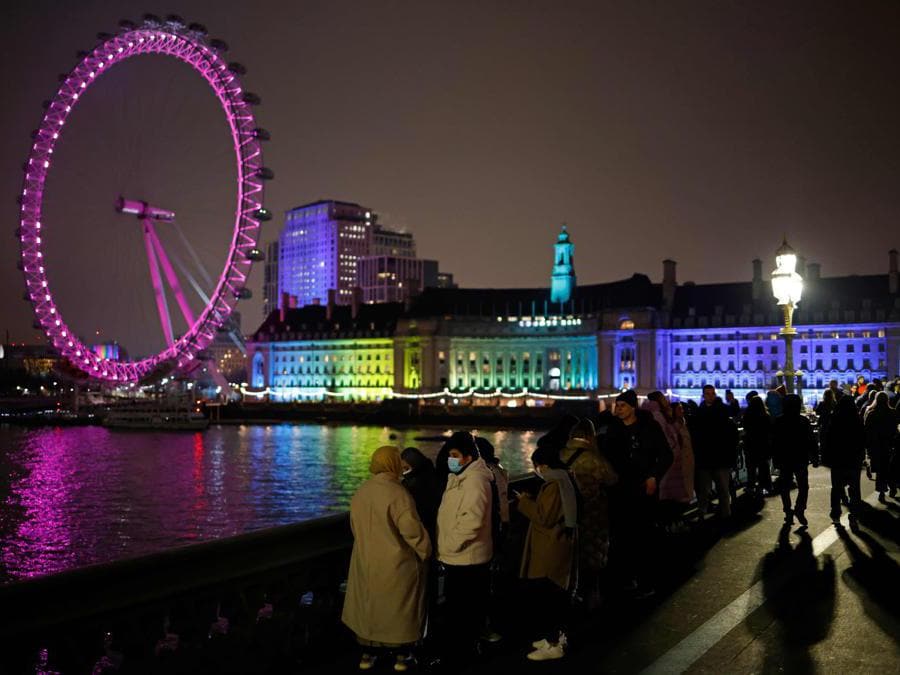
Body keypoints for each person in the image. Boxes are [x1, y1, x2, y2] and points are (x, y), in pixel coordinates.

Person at [343, 446, 432, 672]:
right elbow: (412, 531)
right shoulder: (398, 493)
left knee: (369, 608)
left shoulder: (362, 491)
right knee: (399, 609)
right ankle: (402, 656)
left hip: (365, 559)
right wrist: (425, 552)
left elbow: (355, 527)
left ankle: (368, 653)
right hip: (397, 563)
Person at [599, 389, 673, 598]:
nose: (618, 409)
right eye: (616, 405)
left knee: (644, 536)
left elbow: (666, 455)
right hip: (620, 490)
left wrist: (654, 477)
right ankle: (626, 578)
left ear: (633, 407)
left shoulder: (650, 427)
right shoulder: (613, 430)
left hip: (644, 490)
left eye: (622, 405)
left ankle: (646, 581)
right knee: (622, 536)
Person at [516, 443, 580, 661]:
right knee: (553, 596)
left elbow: (545, 517)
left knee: (551, 597)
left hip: (551, 547)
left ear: (543, 465)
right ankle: (551, 639)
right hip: (556, 545)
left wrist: (524, 502)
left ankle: (555, 644)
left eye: (537, 466)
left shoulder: (554, 484)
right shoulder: (565, 479)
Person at [435, 431, 494, 664]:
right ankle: (463, 651)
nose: (451, 459)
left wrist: (450, 544)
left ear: (468, 457)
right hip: (461, 556)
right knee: (463, 608)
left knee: (460, 610)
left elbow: (472, 521)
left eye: (455, 455)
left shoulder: (474, 482)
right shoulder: (462, 478)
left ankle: (459, 655)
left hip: (465, 557)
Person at [560, 418, 618, 609]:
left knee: (571, 556)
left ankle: (571, 599)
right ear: (590, 436)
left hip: (567, 512)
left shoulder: (562, 455)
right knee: (592, 558)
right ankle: (591, 599)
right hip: (593, 513)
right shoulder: (594, 458)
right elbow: (611, 479)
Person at [690, 385, 739, 519]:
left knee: (722, 488)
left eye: (712, 394)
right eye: (707, 394)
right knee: (705, 489)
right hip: (707, 457)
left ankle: (724, 513)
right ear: (703, 395)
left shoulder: (719, 411)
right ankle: (704, 512)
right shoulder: (703, 411)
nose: (710, 396)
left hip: (718, 456)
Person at [771, 395, 818, 527]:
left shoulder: (779, 421)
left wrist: (775, 459)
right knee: (803, 486)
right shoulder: (803, 421)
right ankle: (799, 509)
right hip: (800, 458)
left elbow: (774, 442)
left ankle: (787, 510)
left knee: (784, 486)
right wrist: (815, 457)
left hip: (785, 458)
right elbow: (811, 440)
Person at [822, 396, 865, 526]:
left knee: (836, 487)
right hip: (853, 457)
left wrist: (826, 457)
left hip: (837, 458)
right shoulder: (856, 419)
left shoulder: (834, 418)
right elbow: (862, 439)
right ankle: (854, 513)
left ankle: (835, 513)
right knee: (854, 487)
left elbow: (827, 439)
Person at [401, 447, 441, 542]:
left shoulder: (420, 483)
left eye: (406, 468)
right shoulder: (432, 476)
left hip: (426, 531)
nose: (403, 472)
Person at [864, 391, 898, 502]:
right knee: (889, 468)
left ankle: (882, 491)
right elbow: (895, 429)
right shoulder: (892, 412)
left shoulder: (871, 413)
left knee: (880, 469)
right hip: (889, 444)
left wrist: (867, 446)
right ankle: (892, 486)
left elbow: (867, 431)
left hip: (876, 444)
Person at [741, 395, 773, 496]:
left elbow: (745, 428)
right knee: (764, 466)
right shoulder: (766, 415)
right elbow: (769, 430)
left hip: (751, 444)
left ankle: (751, 485)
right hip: (763, 444)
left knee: (751, 467)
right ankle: (765, 486)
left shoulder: (747, 414)